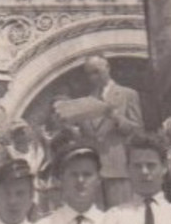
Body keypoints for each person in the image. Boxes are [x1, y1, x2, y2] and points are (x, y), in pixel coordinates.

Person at [62, 56, 144, 207]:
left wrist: (117, 118)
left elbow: (138, 131)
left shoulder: (127, 94)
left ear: (107, 68)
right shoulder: (86, 101)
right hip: (92, 171)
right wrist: (73, 131)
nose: (94, 77)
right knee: (96, 216)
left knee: (121, 213)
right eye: (89, 74)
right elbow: (86, 136)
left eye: (97, 71)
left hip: (118, 167)